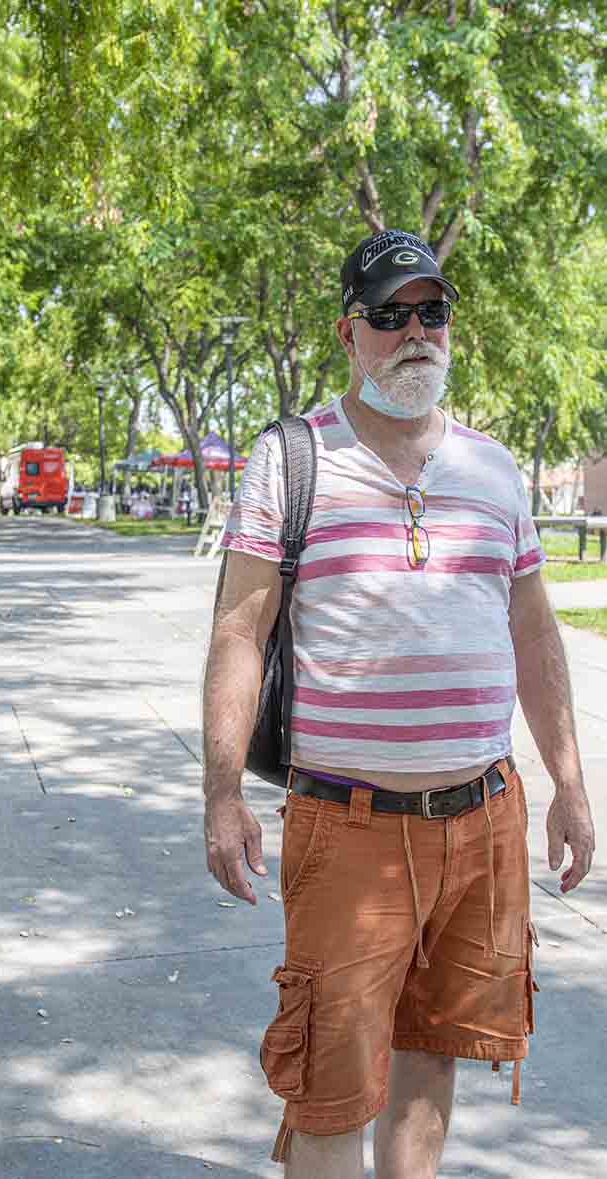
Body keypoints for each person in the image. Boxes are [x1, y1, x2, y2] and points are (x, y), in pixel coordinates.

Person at [202, 228, 595, 1179]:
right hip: (349, 826)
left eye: (432, 311)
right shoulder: (291, 458)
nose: (415, 331)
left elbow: (535, 637)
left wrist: (569, 783)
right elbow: (239, 634)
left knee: (432, 1056)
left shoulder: (494, 469)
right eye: (390, 314)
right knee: (329, 1082)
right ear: (350, 332)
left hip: (485, 819)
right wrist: (222, 794)